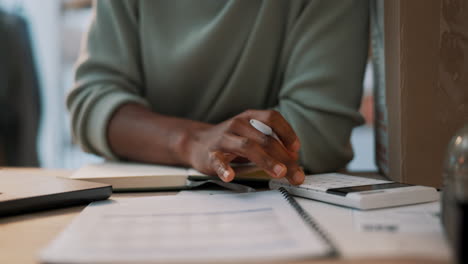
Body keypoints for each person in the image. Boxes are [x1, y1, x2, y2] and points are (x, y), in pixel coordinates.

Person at [68, 0, 369, 185]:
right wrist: (189, 142)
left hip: (278, 200)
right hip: (140, 201)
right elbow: (91, 105)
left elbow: (319, 132)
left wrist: (197, 144)